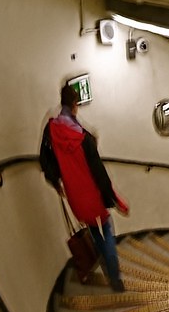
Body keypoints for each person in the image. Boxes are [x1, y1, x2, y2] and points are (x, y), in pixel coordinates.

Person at [40, 84, 129, 292]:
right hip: (93, 195)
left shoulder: (50, 130)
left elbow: (45, 159)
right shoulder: (84, 138)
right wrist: (113, 199)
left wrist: (56, 181)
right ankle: (115, 278)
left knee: (95, 233)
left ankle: (107, 271)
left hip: (75, 196)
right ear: (75, 105)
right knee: (107, 230)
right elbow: (99, 172)